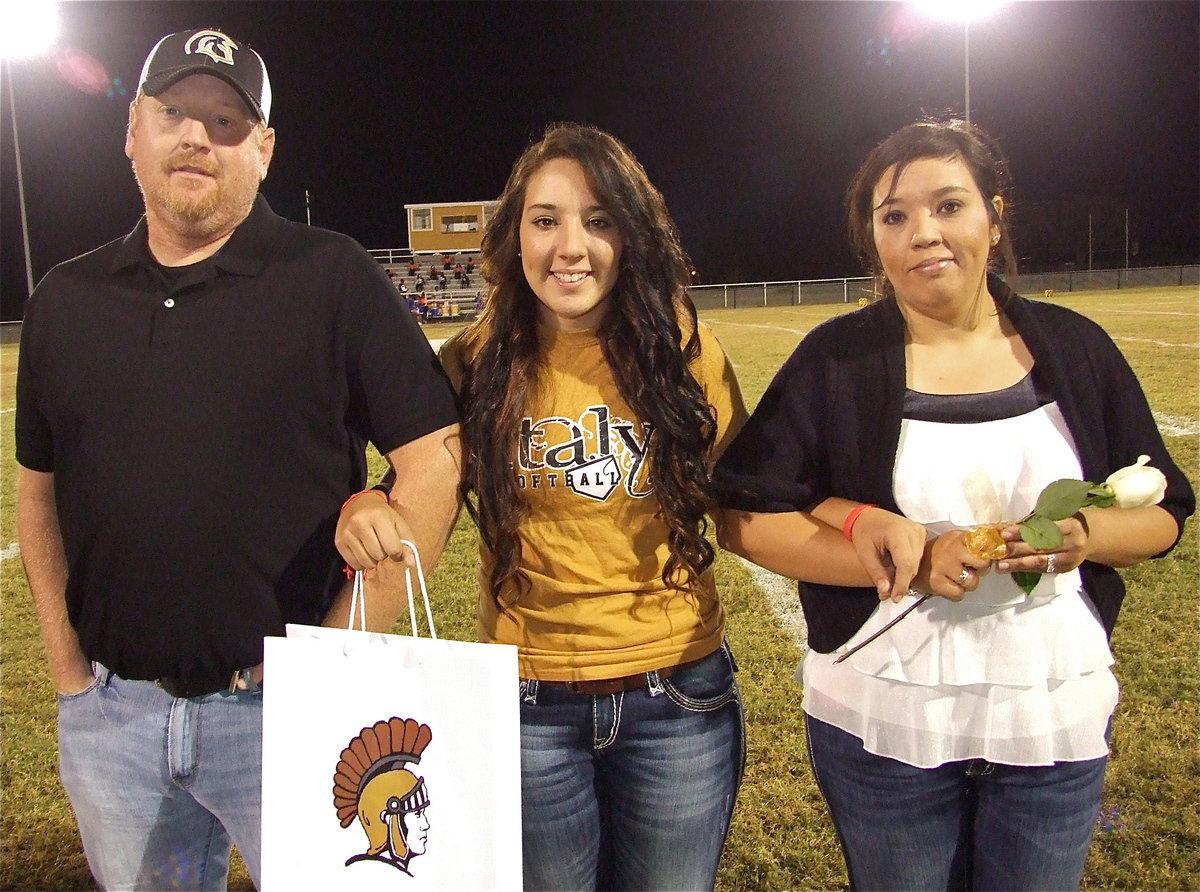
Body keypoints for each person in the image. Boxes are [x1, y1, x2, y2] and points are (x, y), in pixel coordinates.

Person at [14, 28, 462, 892]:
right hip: (114, 715)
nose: (196, 137)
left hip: (284, 710)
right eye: (174, 112)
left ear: (263, 150)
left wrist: (332, 664)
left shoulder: (331, 275)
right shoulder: (65, 301)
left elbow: (434, 459)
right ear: (133, 130)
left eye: (225, 122)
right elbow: (39, 496)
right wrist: (71, 676)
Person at [714, 119, 1194, 891]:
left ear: (994, 217)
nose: (923, 233)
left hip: (1050, 715)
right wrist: (886, 545)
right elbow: (745, 514)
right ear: (872, 239)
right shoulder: (834, 361)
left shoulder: (1076, 348)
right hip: (884, 718)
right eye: (894, 216)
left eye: (948, 206)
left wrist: (1086, 533)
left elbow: (1167, 513)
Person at [337, 123, 750, 891]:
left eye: (599, 221)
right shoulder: (473, 358)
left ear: (629, 234)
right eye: (546, 219)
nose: (572, 247)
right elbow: (406, 488)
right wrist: (365, 503)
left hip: (677, 698)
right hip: (524, 707)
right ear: (514, 235)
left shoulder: (683, 347)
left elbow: (751, 496)